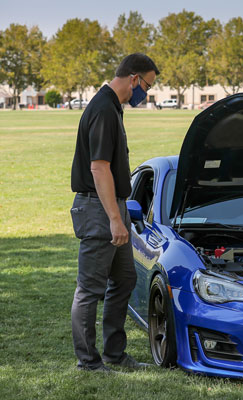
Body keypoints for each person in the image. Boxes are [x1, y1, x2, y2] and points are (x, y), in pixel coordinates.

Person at [70, 53, 159, 372]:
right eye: (148, 84)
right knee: (89, 288)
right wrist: (114, 219)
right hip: (98, 209)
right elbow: (99, 168)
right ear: (134, 78)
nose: (146, 92)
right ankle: (89, 361)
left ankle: (114, 353)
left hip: (111, 206)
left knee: (124, 279)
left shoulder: (111, 107)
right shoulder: (104, 109)